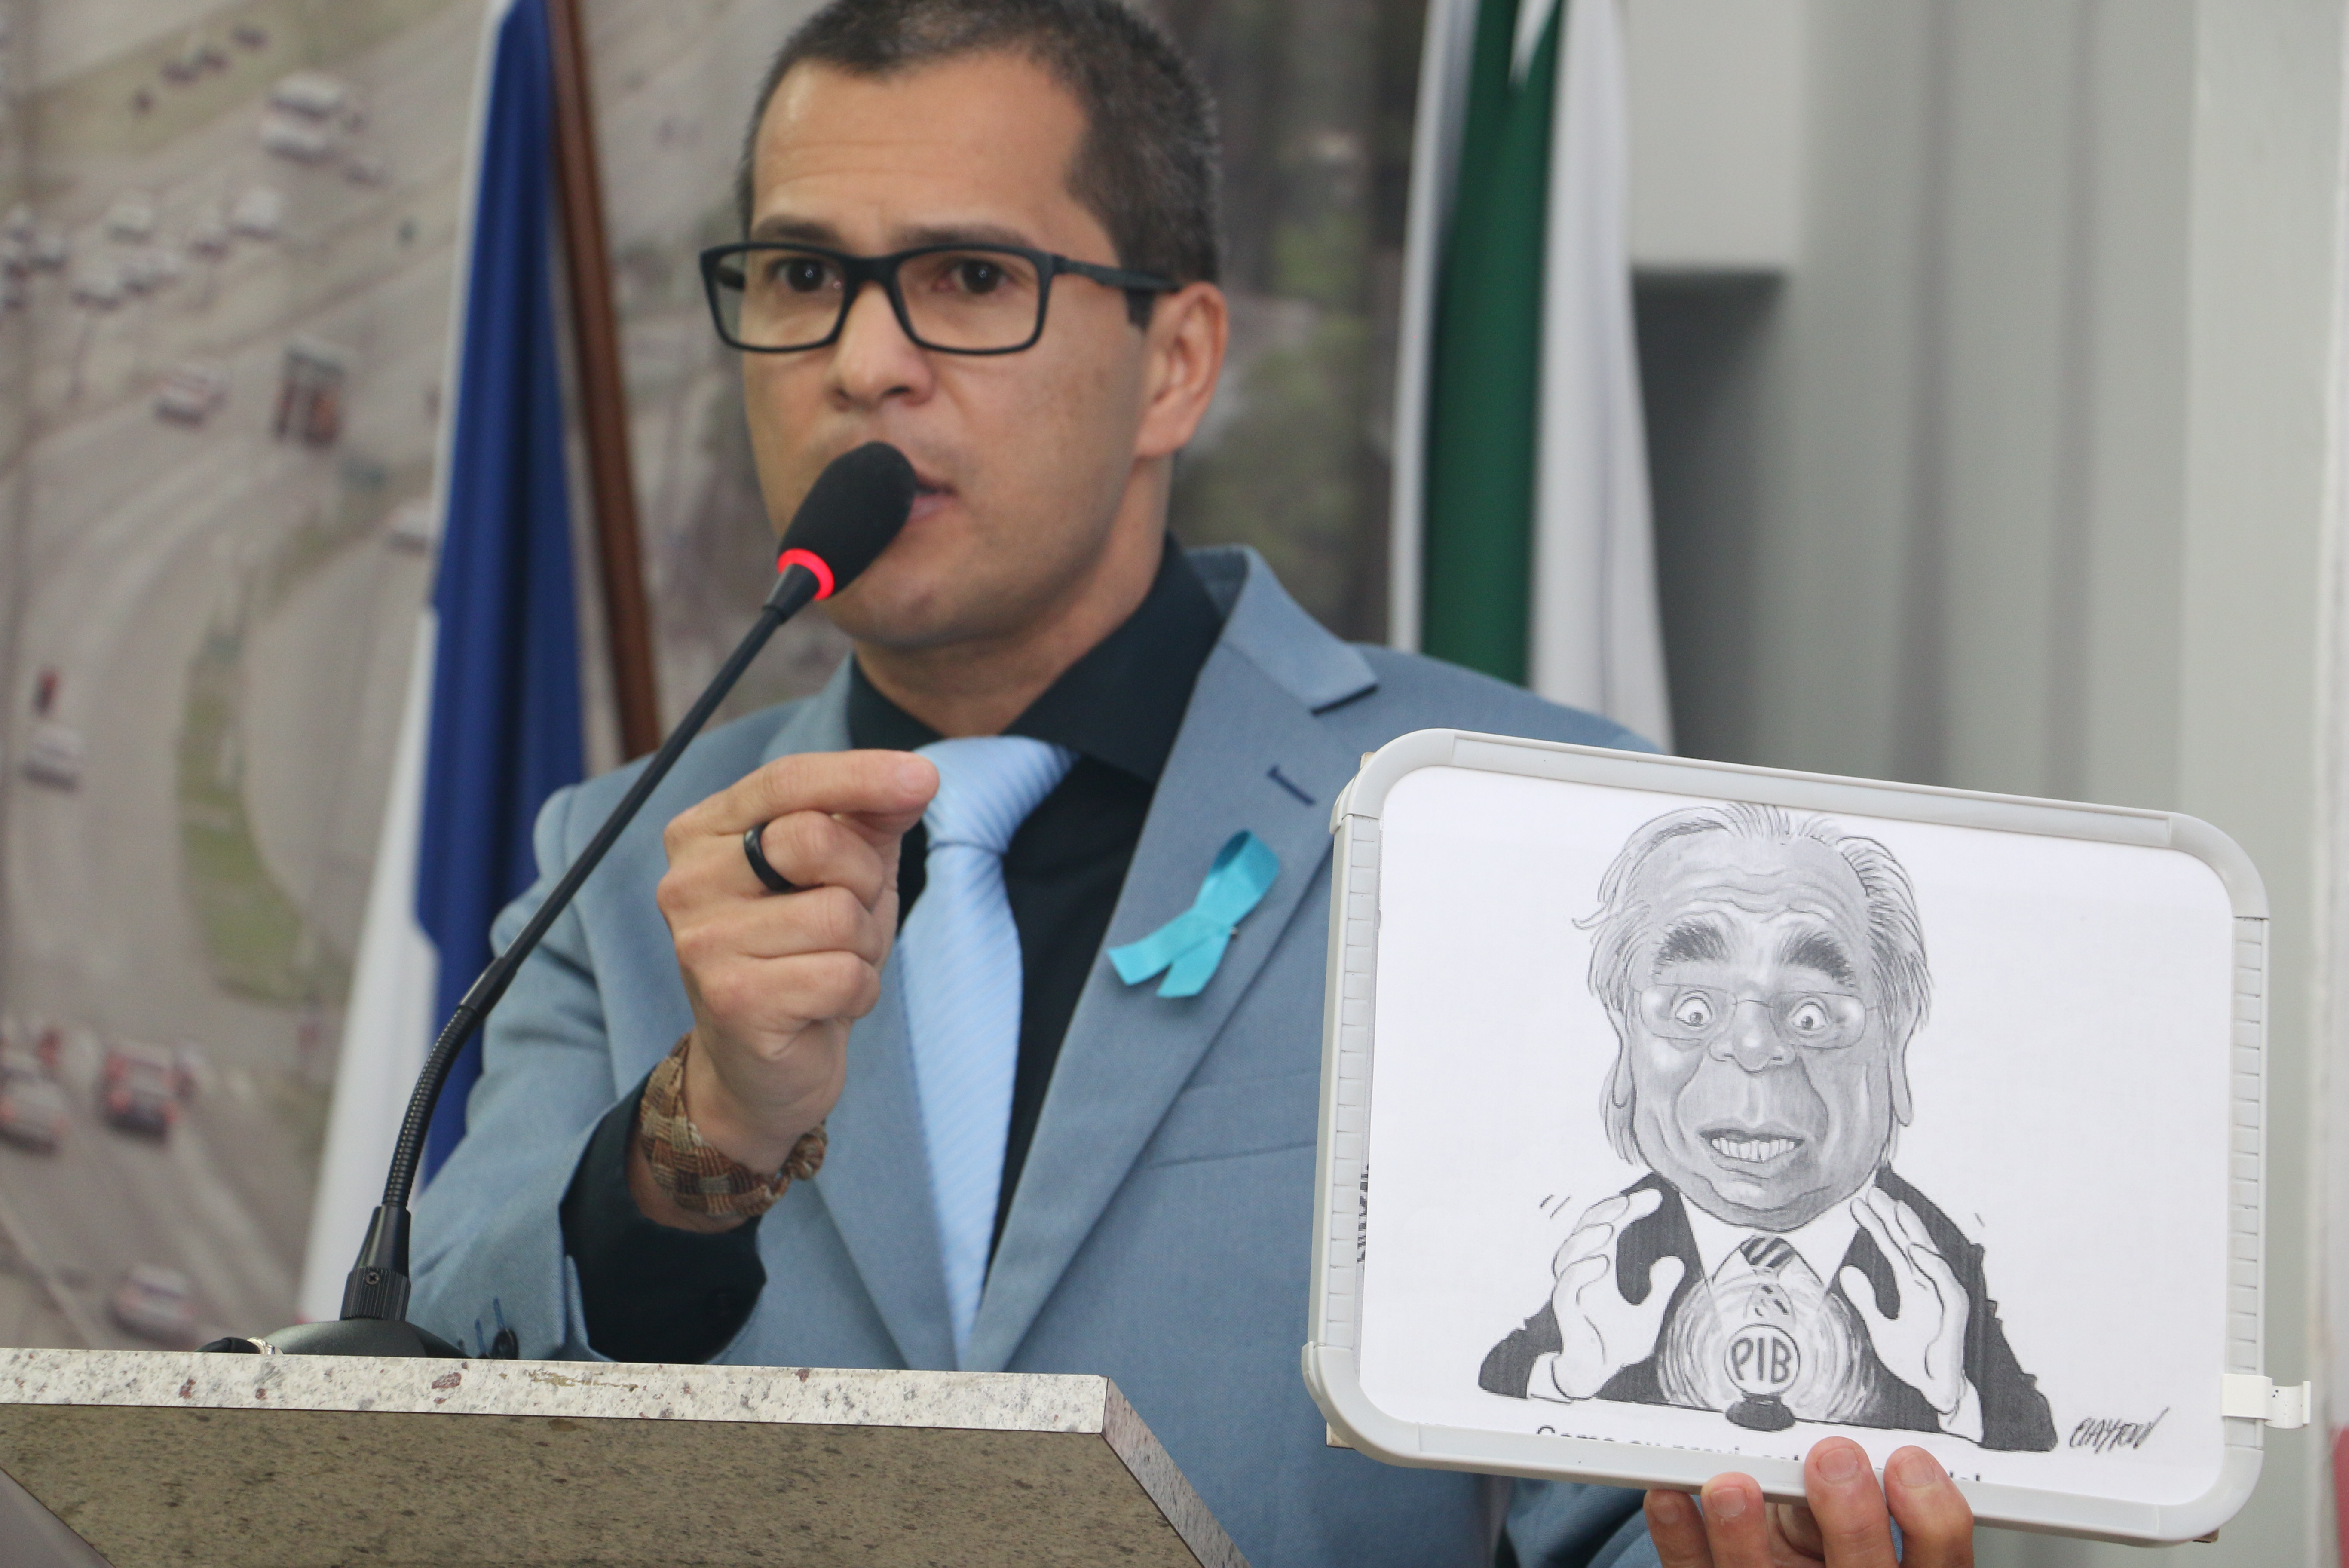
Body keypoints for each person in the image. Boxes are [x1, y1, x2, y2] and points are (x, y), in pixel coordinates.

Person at [410, 2, 1981, 1562]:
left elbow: (1640, 1478)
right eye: (805, 277)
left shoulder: (1529, 828)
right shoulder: (618, 864)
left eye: (970, 279)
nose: (863, 363)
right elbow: (427, 1400)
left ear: (1176, 364)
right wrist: (702, 1134)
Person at [1479, 804, 2054, 1454]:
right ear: (1626, 1040)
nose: (1752, 1048)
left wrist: (1954, 1407)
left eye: (1811, 1015)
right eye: (1693, 1009)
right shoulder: (1608, 1260)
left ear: (1893, 1046)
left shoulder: (1939, 1268)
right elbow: (1483, 1399)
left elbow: (2035, 1445)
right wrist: (1567, 1380)